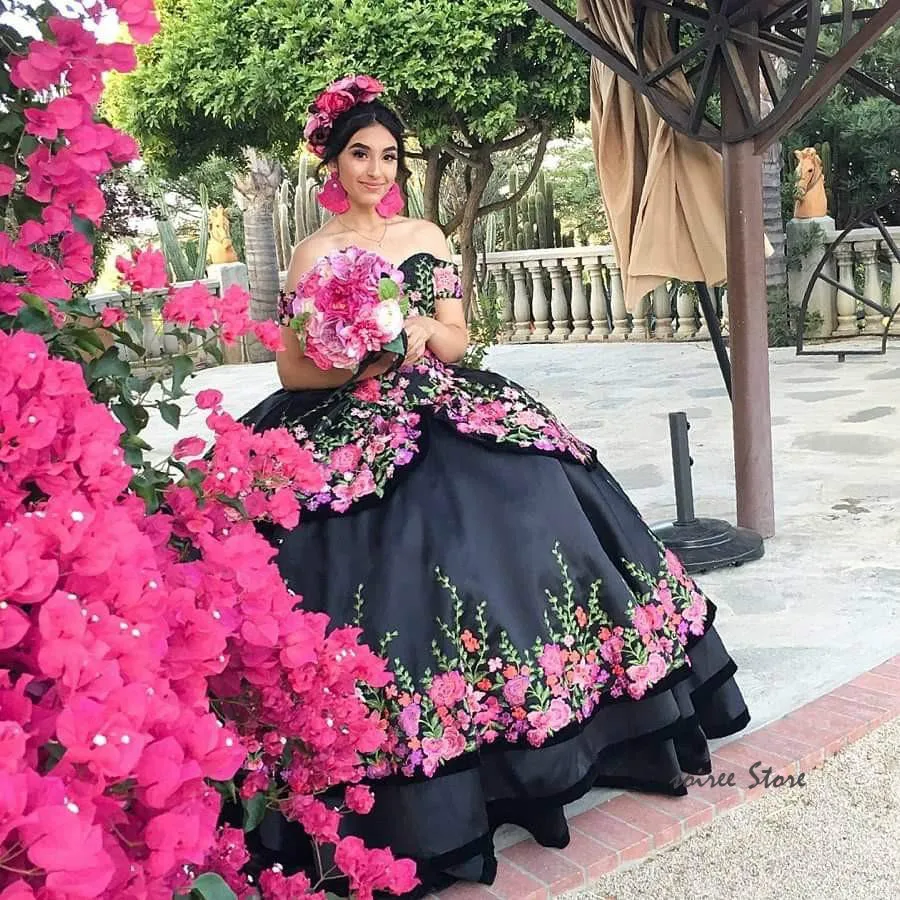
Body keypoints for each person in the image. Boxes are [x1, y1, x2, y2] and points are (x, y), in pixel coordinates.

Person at [241, 75, 750, 896]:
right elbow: (293, 369)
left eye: (389, 155)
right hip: (345, 414)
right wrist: (355, 358)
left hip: (442, 401)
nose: (376, 169)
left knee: (533, 503)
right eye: (360, 154)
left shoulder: (426, 234)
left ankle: (561, 735)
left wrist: (416, 330)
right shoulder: (311, 253)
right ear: (333, 162)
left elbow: (457, 337)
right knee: (391, 564)